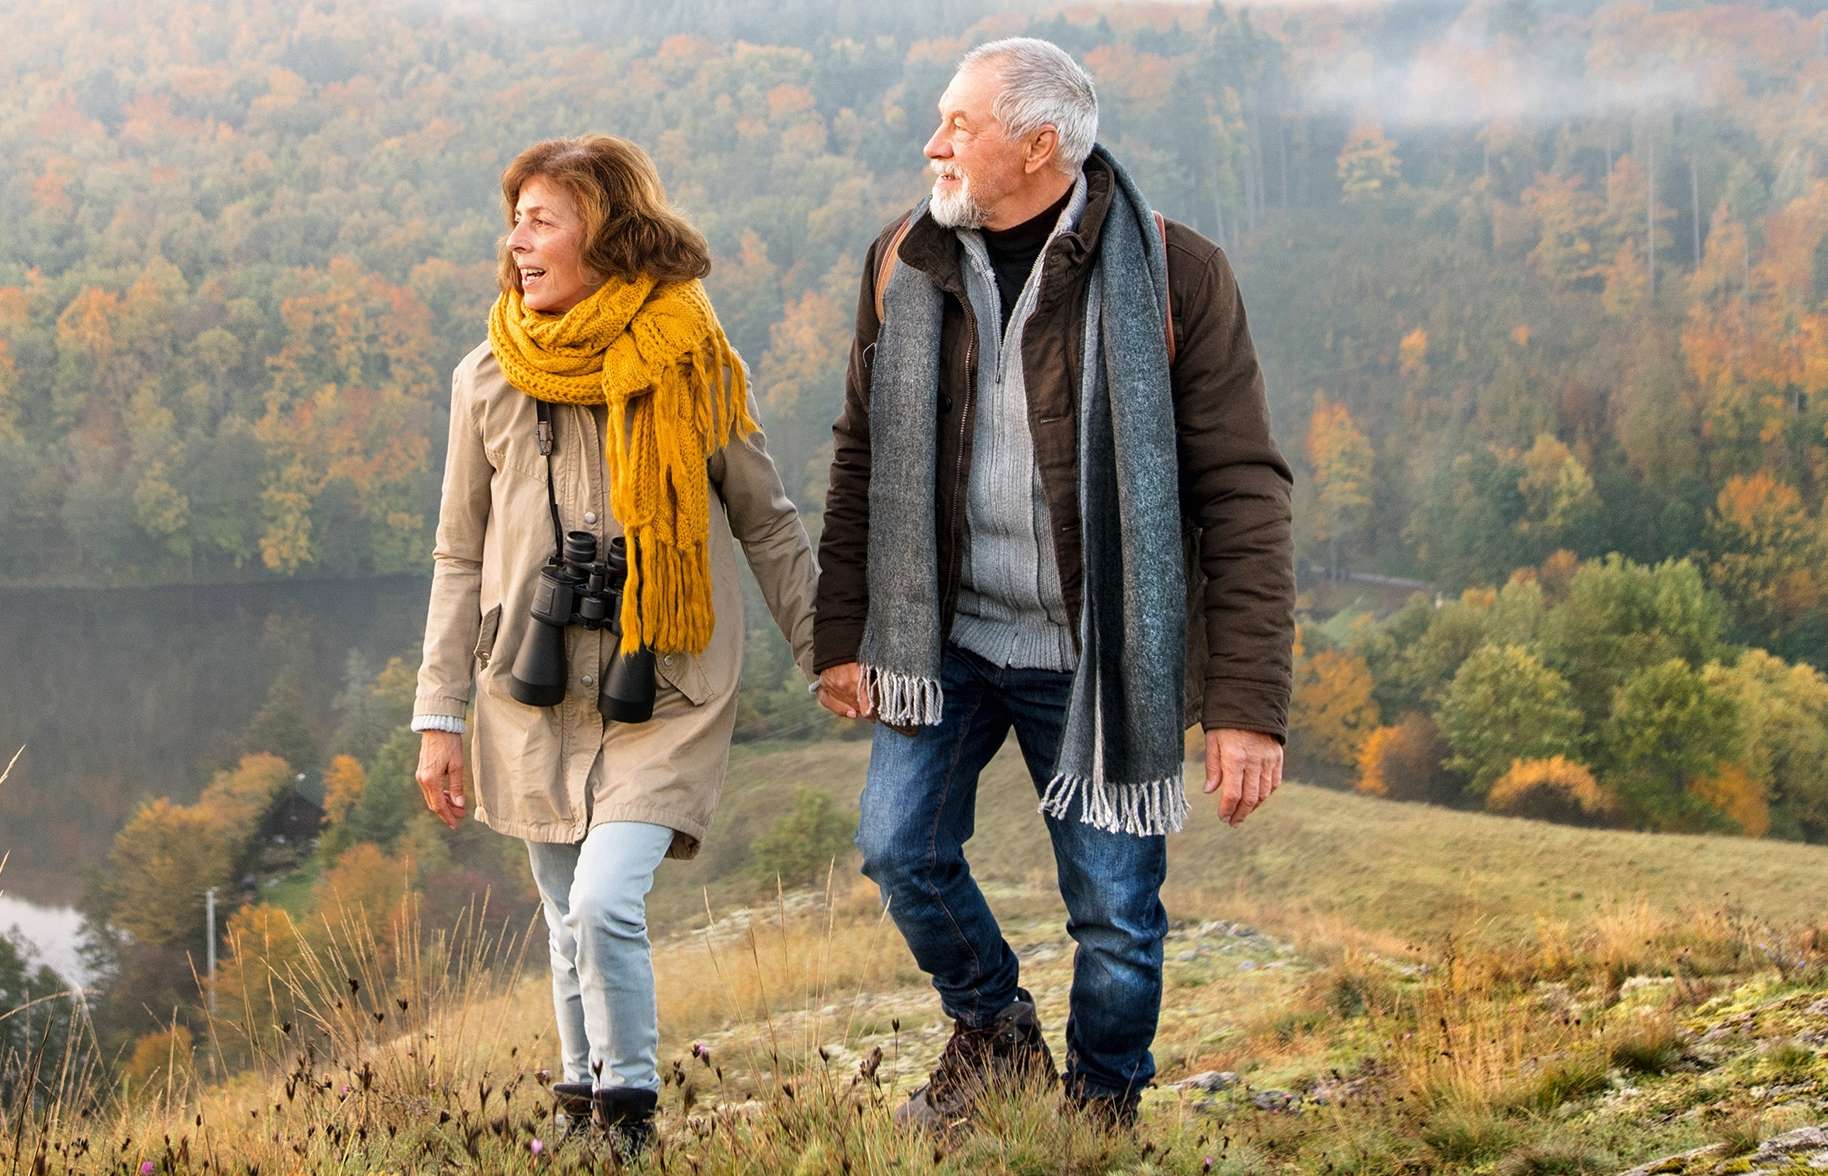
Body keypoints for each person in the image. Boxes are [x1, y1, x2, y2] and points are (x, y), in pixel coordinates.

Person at [812, 38, 1295, 1130]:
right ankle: (995, 1031)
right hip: (947, 636)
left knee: (1116, 914)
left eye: (960, 125)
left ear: (1039, 147)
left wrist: (1245, 708)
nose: (933, 144)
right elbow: (861, 454)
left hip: (1099, 652)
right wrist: (842, 630)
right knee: (898, 848)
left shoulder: (1177, 275)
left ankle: (1100, 1114)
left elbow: (1244, 495)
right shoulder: (905, 258)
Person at [410, 135, 817, 1155]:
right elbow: (459, 556)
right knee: (562, 915)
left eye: (541, 220)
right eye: (516, 220)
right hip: (529, 689)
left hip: (663, 686)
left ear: (606, 234)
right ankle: (581, 1102)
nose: (517, 243)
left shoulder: (694, 366)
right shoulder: (486, 379)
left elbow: (765, 520)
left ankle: (627, 1118)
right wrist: (437, 713)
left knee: (600, 902)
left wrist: (828, 654)